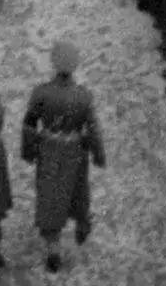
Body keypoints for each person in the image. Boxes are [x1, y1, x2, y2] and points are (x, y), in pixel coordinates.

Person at [19, 45, 104, 267]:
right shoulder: (84, 96)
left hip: (49, 151)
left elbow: (29, 124)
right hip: (75, 152)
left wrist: (28, 150)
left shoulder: (41, 93)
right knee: (77, 190)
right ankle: (82, 223)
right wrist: (98, 153)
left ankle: (53, 248)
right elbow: (93, 128)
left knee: (50, 196)